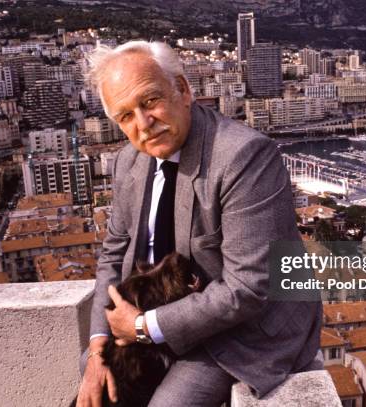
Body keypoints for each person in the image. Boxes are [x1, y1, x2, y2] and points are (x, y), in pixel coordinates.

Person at [76, 40, 322, 407]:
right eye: (125, 116)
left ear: (183, 90)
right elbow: (114, 255)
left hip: (238, 332)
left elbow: (248, 288)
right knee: (92, 378)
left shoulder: (244, 156)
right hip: (158, 315)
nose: (143, 124)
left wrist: (143, 328)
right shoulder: (129, 162)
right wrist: (98, 347)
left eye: (149, 101)